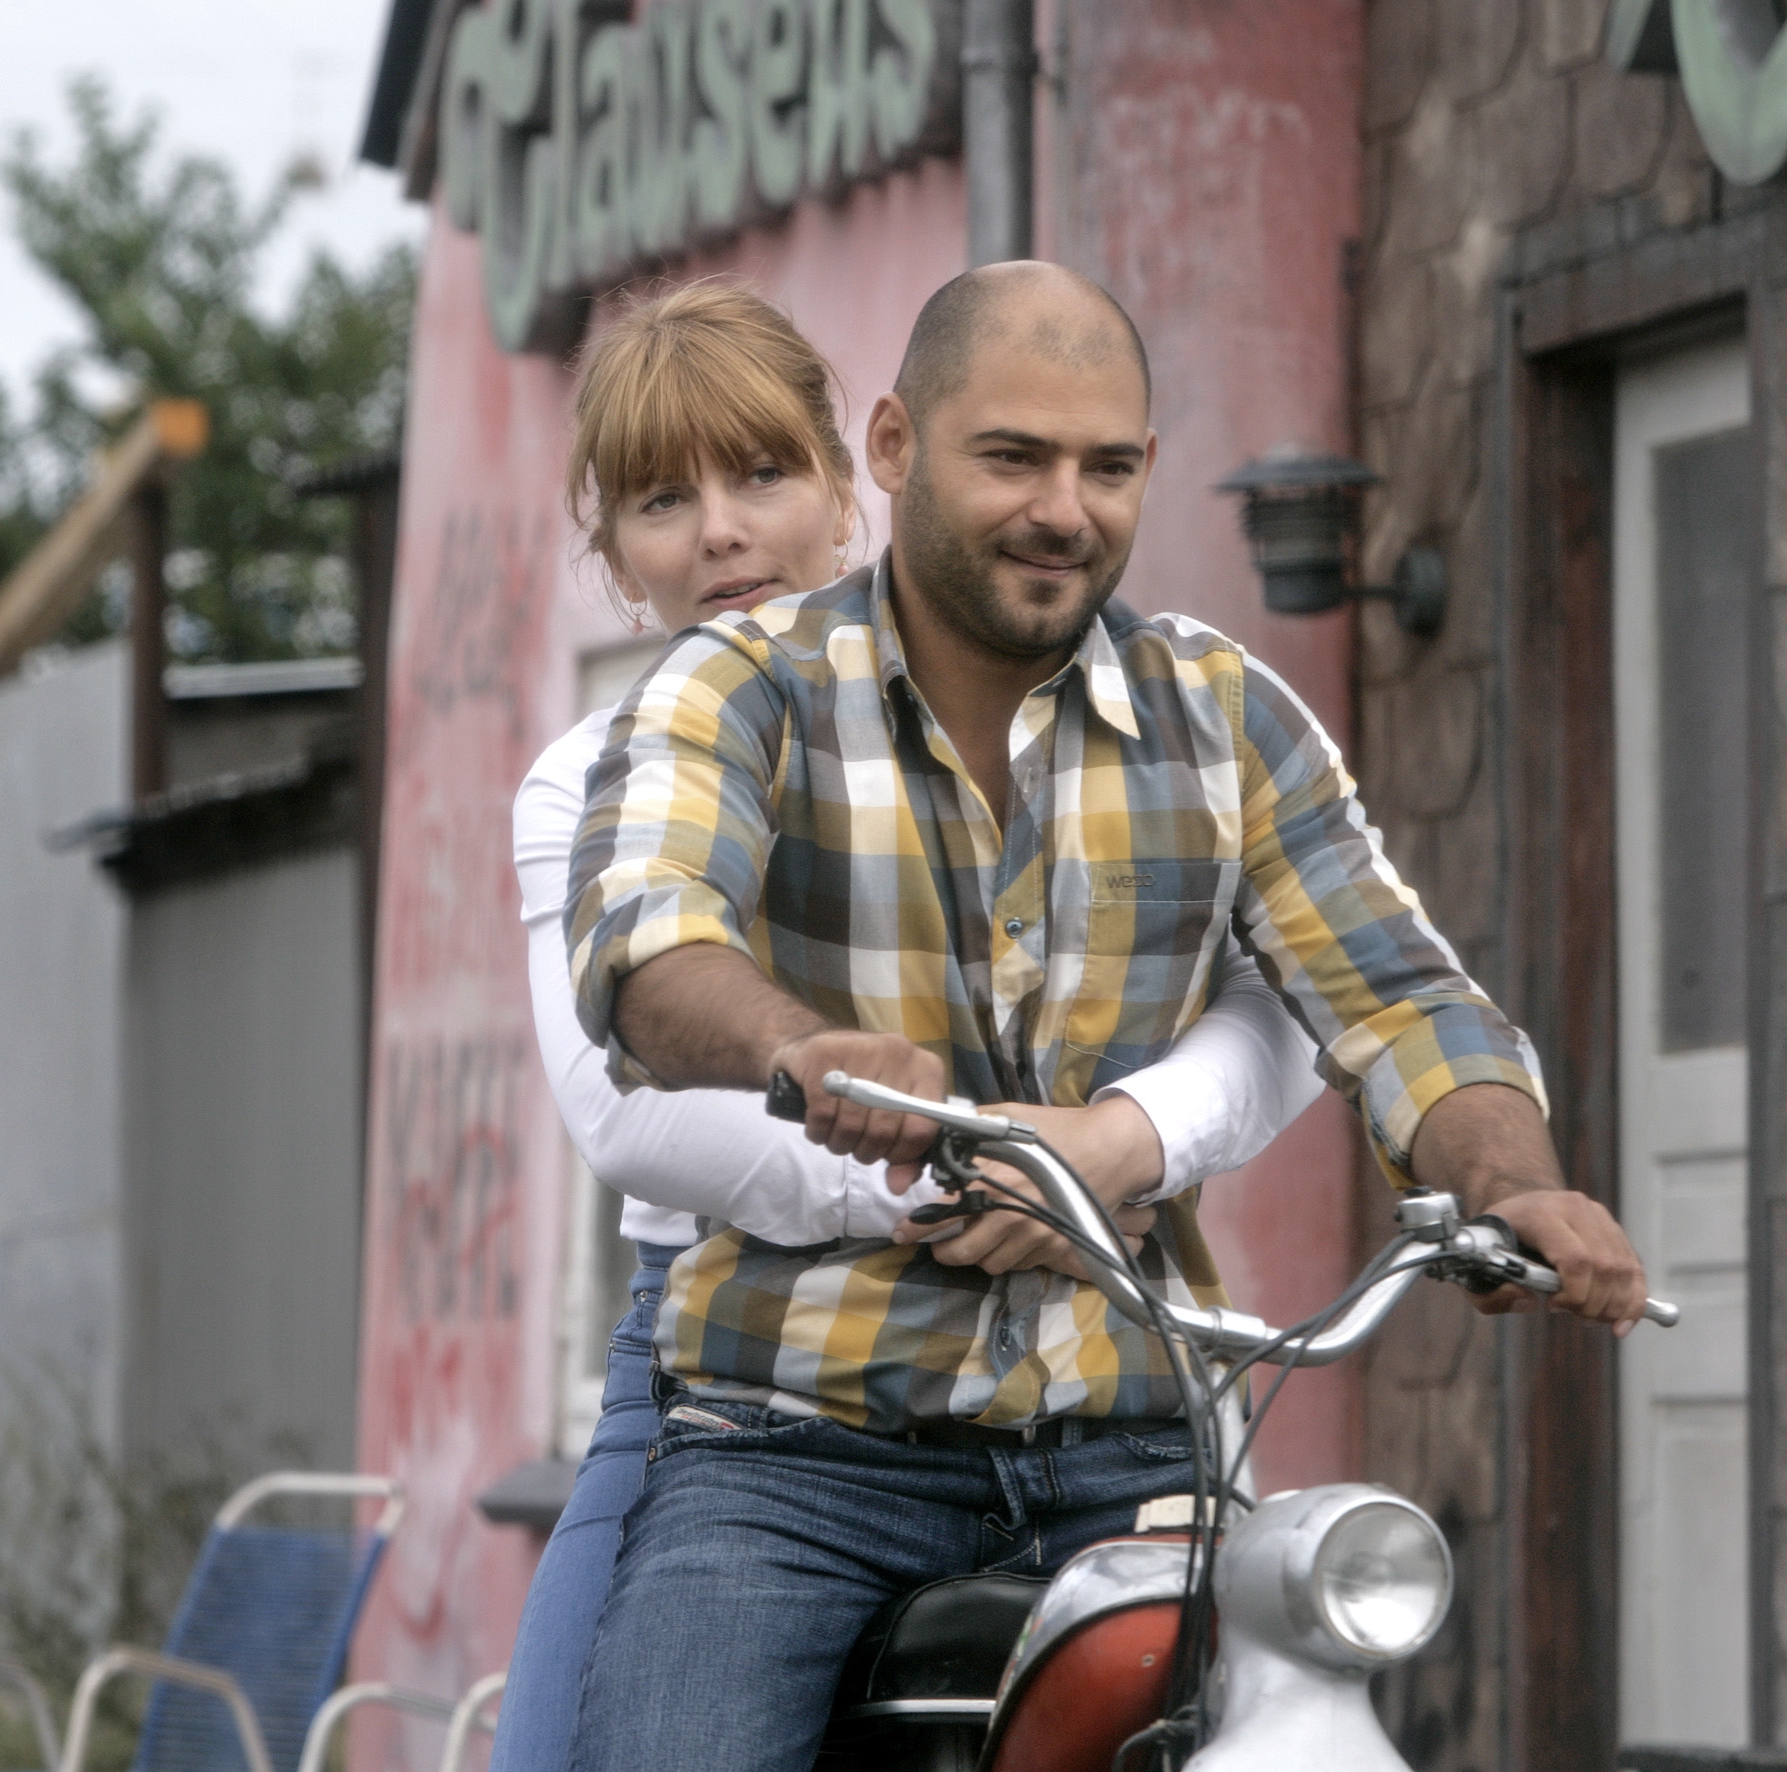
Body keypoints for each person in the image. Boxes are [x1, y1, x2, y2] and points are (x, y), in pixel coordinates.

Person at [558, 263, 1650, 1768]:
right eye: (1013, 456)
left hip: (1138, 1438)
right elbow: (644, 940)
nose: (1063, 507)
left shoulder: (1227, 712)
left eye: (1109, 465)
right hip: (798, 1451)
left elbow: (1397, 995)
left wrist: (1516, 1180)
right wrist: (792, 1048)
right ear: (892, 449)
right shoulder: (736, 688)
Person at [495, 284, 1322, 1771]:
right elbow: (632, 1117)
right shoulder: (586, 779)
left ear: (851, 479)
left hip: (1086, 1345)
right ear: (612, 551)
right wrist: (984, 1181)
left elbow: (1292, 997)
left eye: (761, 475)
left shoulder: (1108, 712)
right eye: (661, 499)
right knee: (580, 1744)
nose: (722, 534)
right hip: (729, 1369)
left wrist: (1110, 1155)